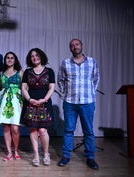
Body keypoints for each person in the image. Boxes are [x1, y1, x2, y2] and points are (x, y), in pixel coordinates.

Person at [57, 38, 100, 170]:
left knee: (88, 131)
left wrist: (92, 93)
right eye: (72, 45)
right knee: (69, 130)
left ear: (81, 46)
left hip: (87, 102)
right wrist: (65, 95)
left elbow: (96, 78)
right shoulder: (65, 63)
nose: (75, 46)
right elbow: (60, 80)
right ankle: (65, 156)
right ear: (70, 48)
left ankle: (90, 157)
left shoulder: (92, 61)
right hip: (70, 102)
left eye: (77, 44)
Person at [21, 48, 55, 167]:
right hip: (31, 103)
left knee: (42, 130)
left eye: (37, 55)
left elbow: (51, 88)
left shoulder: (49, 71)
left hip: (44, 103)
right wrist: (30, 99)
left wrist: (44, 99)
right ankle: (36, 155)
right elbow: (24, 88)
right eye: (32, 56)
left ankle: (46, 154)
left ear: (41, 57)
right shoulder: (27, 71)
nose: (34, 57)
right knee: (33, 130)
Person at [0, 52, 23, 161]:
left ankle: (16, 150)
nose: (10, 59)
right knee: (6, 127)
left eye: (12, 58)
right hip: (4, 102)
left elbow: (25, 88)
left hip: (16, 102)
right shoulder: (1, 73)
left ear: (15, 60)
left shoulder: (20, 72)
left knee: (15, 128)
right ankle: (9, 152)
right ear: (5, 60)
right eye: (8, 58)